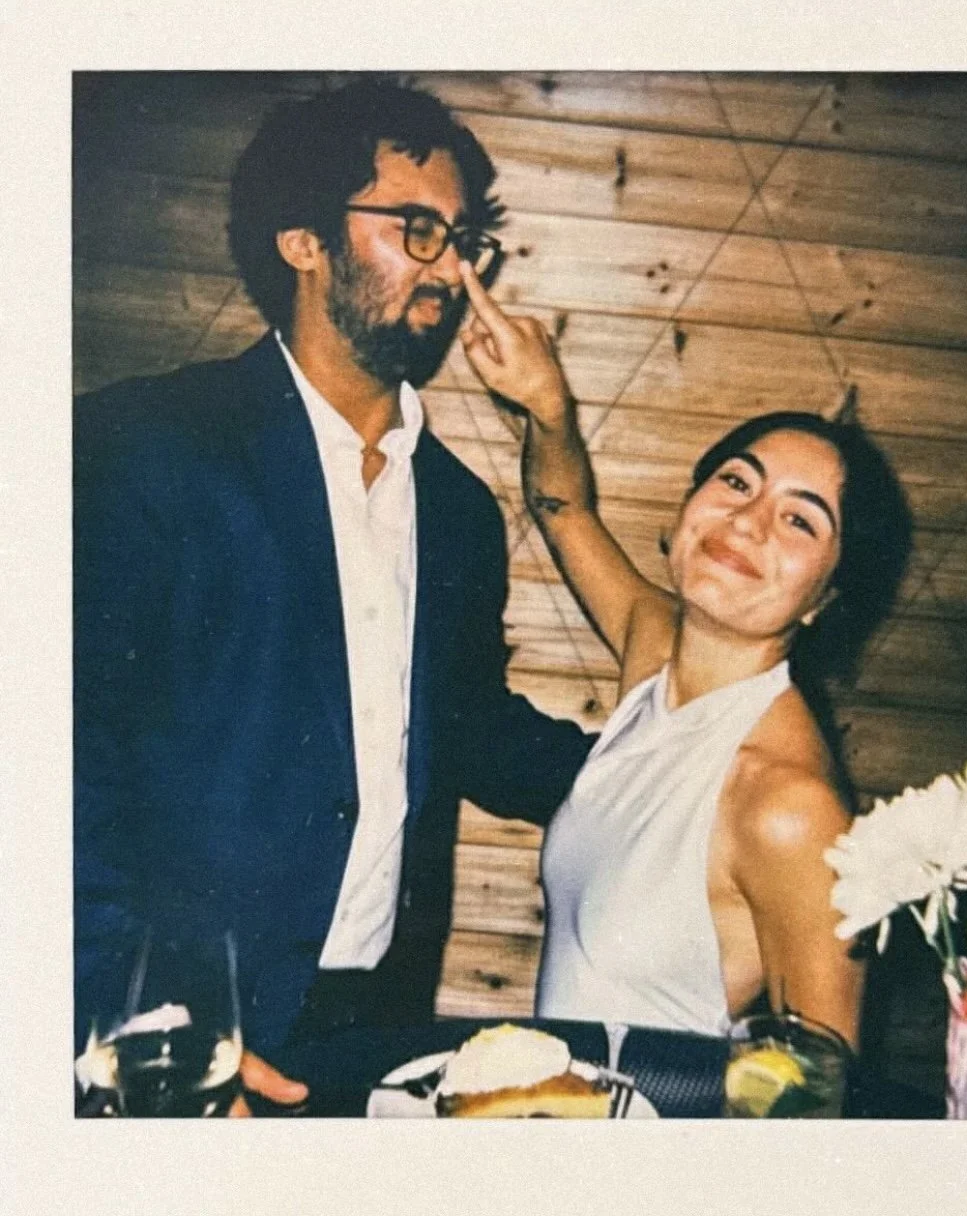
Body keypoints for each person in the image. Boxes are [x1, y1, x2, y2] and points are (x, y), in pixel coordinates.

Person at [73, 78, 593, 1111]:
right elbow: (56, 752)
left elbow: (468, 728)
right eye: (416, 228)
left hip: (368, 1026)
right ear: (302, 239)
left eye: (461, 236)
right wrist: (142, 1024)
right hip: (170, 1019)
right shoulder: (144, 446)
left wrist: (684, 777)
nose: (451, 267)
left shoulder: (455, 511)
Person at [457, 266, 913, 1048]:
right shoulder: (656, 658)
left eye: (800, 523)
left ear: (823, 601)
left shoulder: (789, 809)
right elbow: (565, 511)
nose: (746, 522)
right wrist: (548, 407)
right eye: (737, 481)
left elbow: (820, 1095)